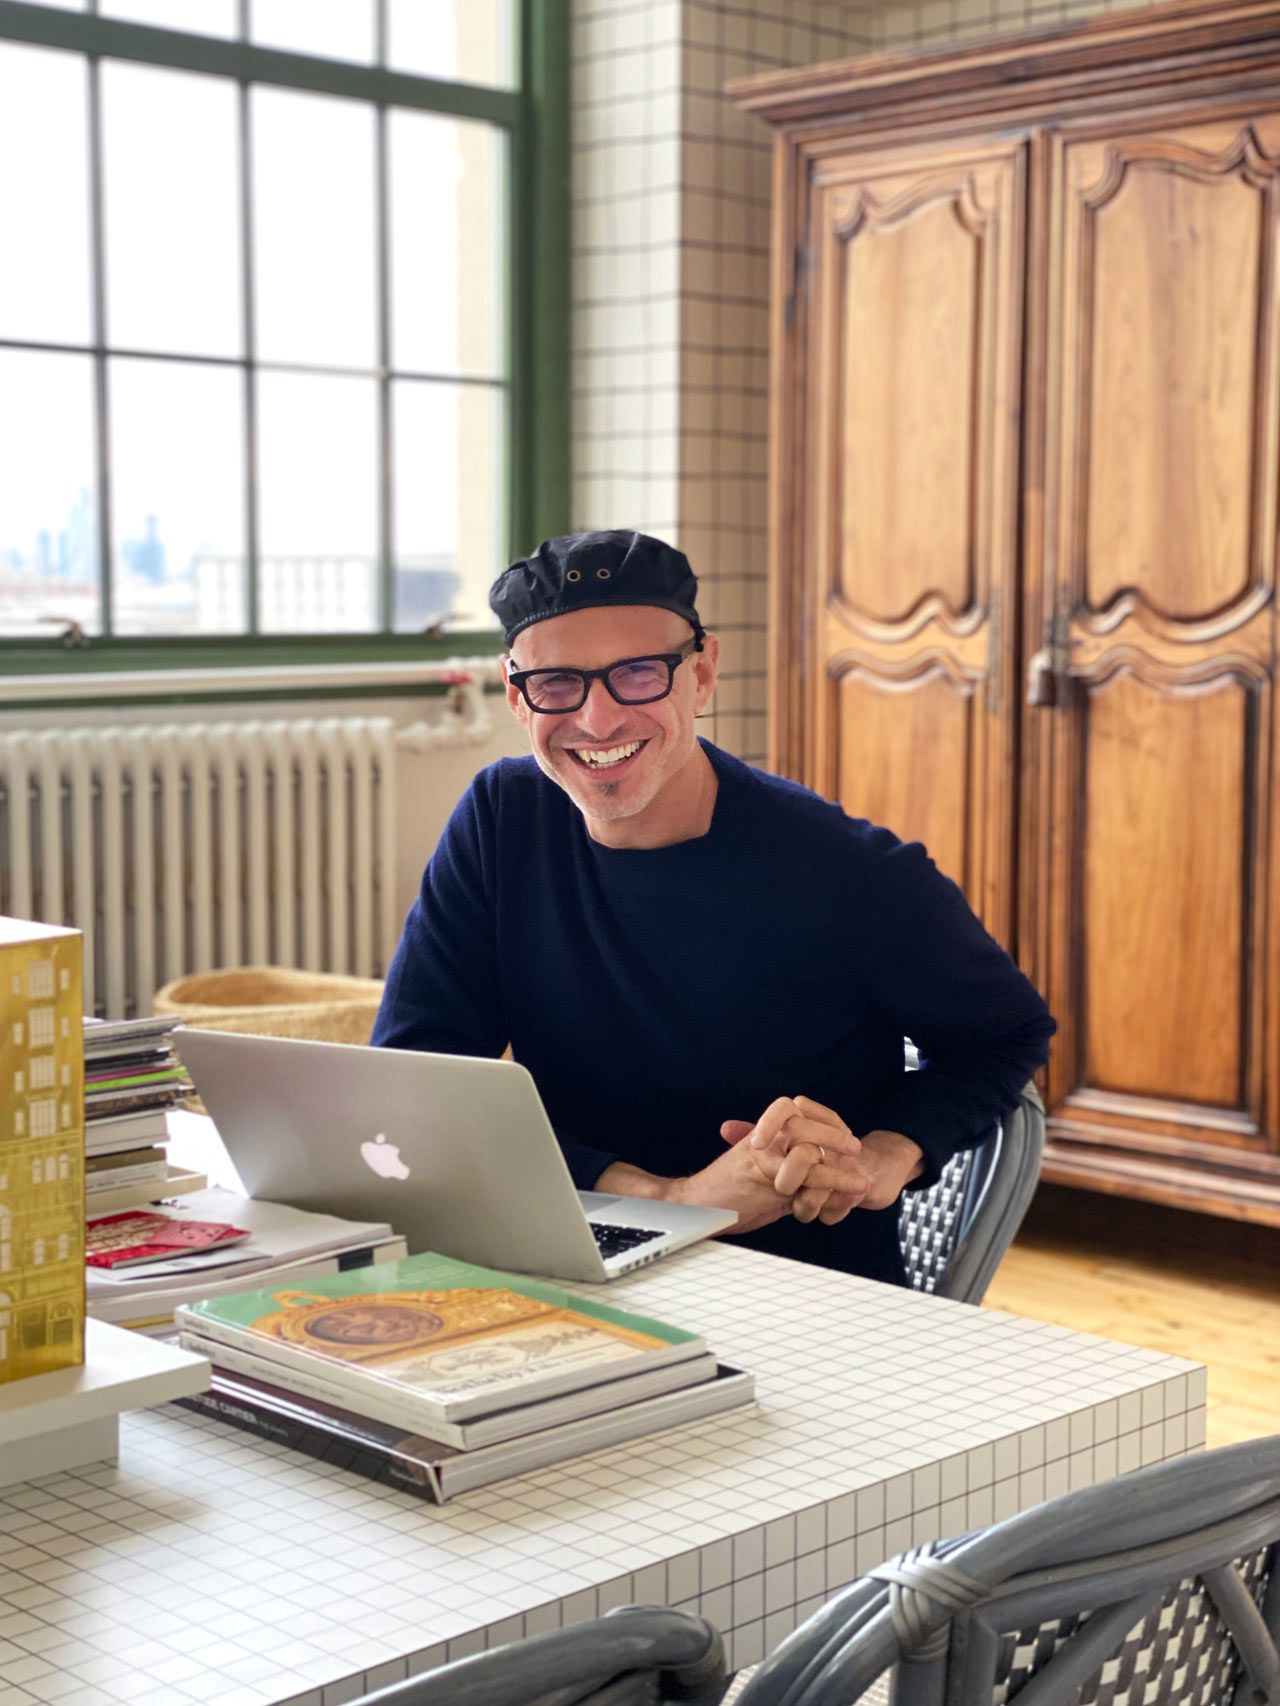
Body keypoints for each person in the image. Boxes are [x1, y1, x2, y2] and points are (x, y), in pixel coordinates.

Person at [372, 530, 1055, 1283]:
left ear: (701, 675)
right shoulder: (502, 819)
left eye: (638, 675)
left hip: (802, 1286)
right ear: (516, 695)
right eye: (559, 683)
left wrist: (886, 1156)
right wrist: (669, 1198)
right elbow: (418, 1075)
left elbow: (1007, 1034)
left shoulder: (844, 868)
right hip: (573, 1250)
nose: (598, 721)